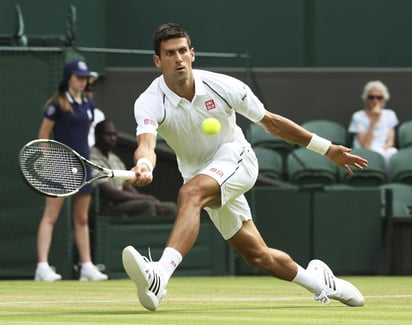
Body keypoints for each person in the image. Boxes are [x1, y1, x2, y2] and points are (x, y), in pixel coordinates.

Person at [122, 23, 368, 311]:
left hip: (236, 158)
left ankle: (160, 276)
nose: (177, 59)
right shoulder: (149, 101)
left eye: (182, 51)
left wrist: (326, 149)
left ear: (192, 54)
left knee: (190, 195)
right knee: (257, 255)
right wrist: (143, 164)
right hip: (200, 173)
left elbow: (271, 123)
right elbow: (147, 144)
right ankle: (321, 282)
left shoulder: (225, 86)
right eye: (169, 54)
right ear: (157, 60)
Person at [34, 60, 108, 282]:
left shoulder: (88, 104)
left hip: (83, 167)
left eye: (85, 77)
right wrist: (51, 162)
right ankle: (42, 266)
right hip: (60, 167)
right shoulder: (56, 105)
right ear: (68, 79)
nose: (83, 81)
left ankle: (86, 266)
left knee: (82, 218)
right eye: (79, 77)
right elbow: (43, 138)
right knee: (51, 216)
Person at [90, 120, 177, 217]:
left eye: (114, 135)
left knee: (170, 208)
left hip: (123, 203)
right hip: (106, 206)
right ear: (97, 136)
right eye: (108, 135)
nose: (113, 138)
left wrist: (143, 198)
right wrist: (146, 198)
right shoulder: (92, 158)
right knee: (147, 205)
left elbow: (126, 185)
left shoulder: (114, 159)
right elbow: (111, 193)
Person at [348, 80, 399, 174]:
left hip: (385, 151)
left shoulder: (390, 114)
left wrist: (384, 150)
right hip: (366, 152)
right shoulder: (358, 116)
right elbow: (366, 146)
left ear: (384, 99)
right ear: (366, 99)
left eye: (379, 97)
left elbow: (390, 142)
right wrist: (373, 122)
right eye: (371, 97)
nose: (375, 100)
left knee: (392, 152)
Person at [85, 73, 106, 147]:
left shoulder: (99, 114)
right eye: (85, 90)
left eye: (90, 90)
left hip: (94, 152)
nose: (88, 94)